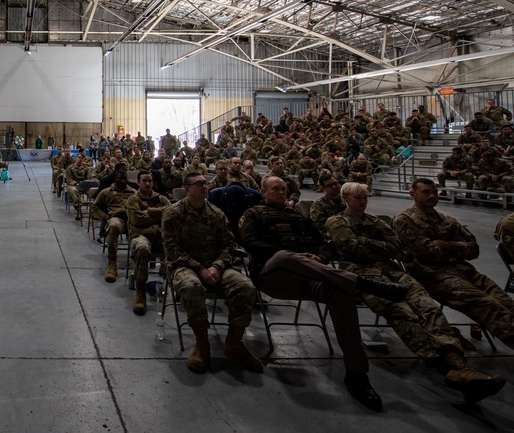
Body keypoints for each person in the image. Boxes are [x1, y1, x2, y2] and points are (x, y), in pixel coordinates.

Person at [240, 176, 408, 411]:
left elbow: (325, 243)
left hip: (310, 276)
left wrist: (320, 257)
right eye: (276, 189)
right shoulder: (253, 214)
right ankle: (361, 283)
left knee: (341, 292)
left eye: (284, 189)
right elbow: (249, 243)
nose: (281, 192)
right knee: (285, 256)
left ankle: (357, 374)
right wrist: (292, 255)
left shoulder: (297, 215)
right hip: (274, 276)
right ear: (263, 191)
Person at [327, 182, 506, 403]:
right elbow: (350, 249)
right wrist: (378, 246)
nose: (362, 202)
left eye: (365, 198)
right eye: (357, 198)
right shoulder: (336, 221)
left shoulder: (375, 222)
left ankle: (458, 365)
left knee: (428, 308)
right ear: (345, 198)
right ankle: (443, 366)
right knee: (400, 311)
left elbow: (400, 249)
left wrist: (367, 242)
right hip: (362, 277)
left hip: (393, 272)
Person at [393, 178, 514, 352]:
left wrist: (448, 245)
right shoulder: (404, 221)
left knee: (506, 303)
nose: (432, 196)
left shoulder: (446, 220)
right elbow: (428, 253)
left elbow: (474, 249)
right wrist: (457, 249)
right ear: (413, 194)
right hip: (433, 276)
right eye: (426, 192)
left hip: (465, 272)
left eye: (434, 192)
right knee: (487, 305)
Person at [164, 172, 262, 373]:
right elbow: (172, 249)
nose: (204, 186)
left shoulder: (216, 213)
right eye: (198, 184)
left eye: (205, 183)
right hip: (185, 266)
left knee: (245, 286)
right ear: (188, 188)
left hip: (215, 266)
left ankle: (234, 342)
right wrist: (200, 268)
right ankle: (202, 344)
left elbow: (228, 245)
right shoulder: (173, 213)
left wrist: (216, 267)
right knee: (192, 287)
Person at [125, 170, 170, 316]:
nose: (147, 183)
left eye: (149, 180)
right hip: (141, 235)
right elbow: (137, 220)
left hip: (161, 236)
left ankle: (176, 286)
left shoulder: (161, 198)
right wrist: (159, 216)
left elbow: (171, 214)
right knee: (143, 248)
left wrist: (148, 211)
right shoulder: (133, 200)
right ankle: (140, 292)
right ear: (138, 182)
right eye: (144, 181)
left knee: (177, 244)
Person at [91, 167, 135, 282]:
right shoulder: (106, 192)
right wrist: (105, 217)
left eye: (125, 179)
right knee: (113, 226)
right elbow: (95, 207)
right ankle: (112, 263)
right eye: (120, 178)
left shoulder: (134, 193)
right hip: (116, 218)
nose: (123, 181)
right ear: (115, 178)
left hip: (133, 219)